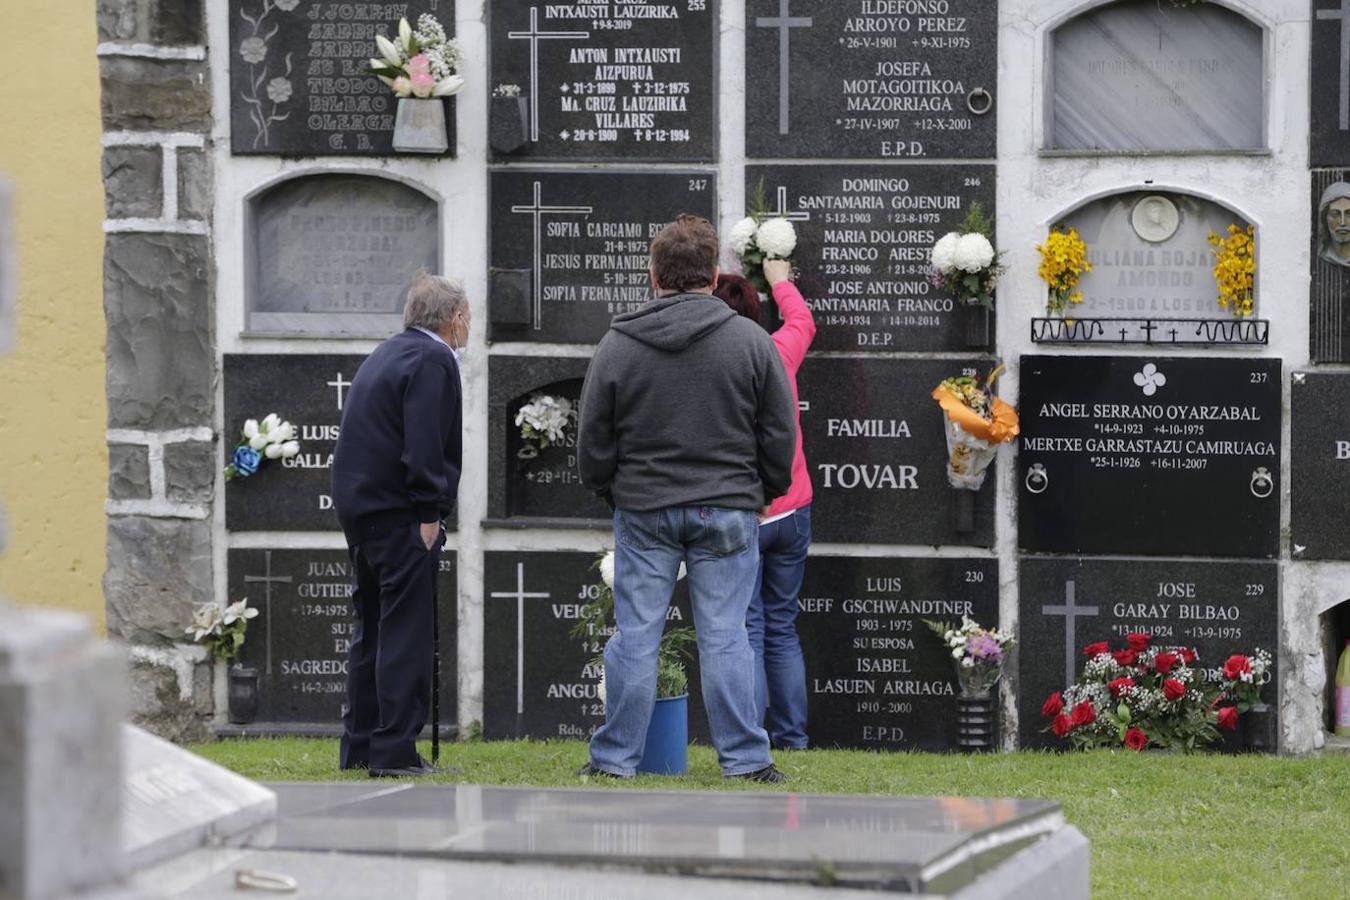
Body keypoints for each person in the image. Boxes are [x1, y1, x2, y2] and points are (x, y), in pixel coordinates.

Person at [577, 214, 797, 782]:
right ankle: (746, 760)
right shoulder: (750, 342)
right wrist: (766, 490)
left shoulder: (618, 345)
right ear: (713, 275)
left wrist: (611, 490)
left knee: (635, 637)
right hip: (727, 505)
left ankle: (614, 760)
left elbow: (593, 438)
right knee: (726, 636)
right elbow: (779, 431)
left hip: (644, 507)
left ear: (654, 275)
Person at [332, 273, 468, 778]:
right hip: (400, 514)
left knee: (371, 629)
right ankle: (393, 751)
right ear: (454, 317)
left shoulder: (388, 352)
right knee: (406, 633)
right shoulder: (433, 359)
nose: (467, 327)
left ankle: (360, 746)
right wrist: (430, 512)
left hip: (363, 511)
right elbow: (424, 441)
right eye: (466, 317)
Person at [714, 258, 816, 750]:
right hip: (793, 510)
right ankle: (793, 737)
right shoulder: (779, 350)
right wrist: (779, 281)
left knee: (749, 628)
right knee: (782, 627)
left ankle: (753, 737)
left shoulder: (715, 367)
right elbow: (803, 322)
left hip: (746, 512)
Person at [1318, 182, 1350, 267]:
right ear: (1325, 218)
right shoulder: (1319, 261)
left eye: (1349, 214)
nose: (1342, 222)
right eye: (1335, 214)